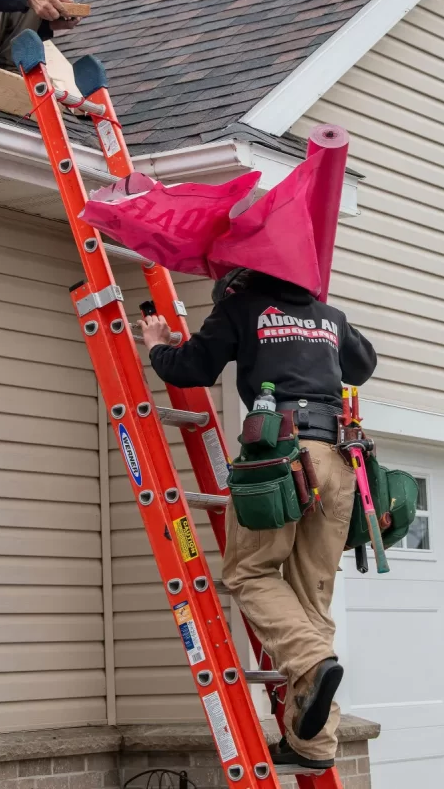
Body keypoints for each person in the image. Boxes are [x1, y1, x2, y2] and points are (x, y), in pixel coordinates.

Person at [140, 268, 377, 771]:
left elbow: (192, 369)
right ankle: (313, 745)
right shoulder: (329, 315)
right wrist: (321, 323)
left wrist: (159, 345)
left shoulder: (242, 307)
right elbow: (363, 366)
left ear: (236, 284)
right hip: (339, 458)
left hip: (281, 456)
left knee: (250, 571)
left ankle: (311, 665)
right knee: (312, 596)